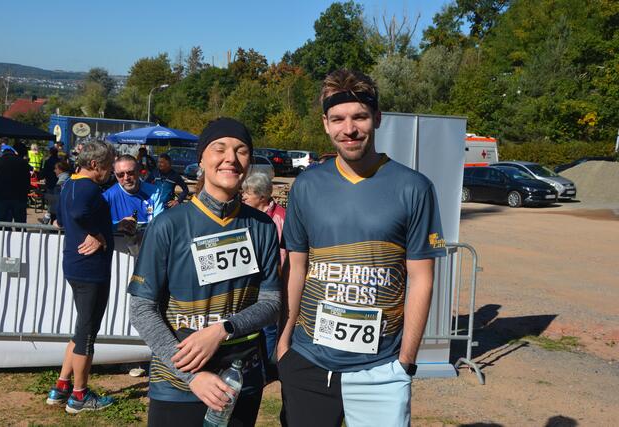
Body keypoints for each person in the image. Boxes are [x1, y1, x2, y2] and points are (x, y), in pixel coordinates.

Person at [277, 69, 446, 427]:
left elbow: (422, 278)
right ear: (325, 124)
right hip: (308, 361)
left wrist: (406, 360)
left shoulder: (414, 187)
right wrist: (283, 342)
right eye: (338, 119)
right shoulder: (306, 185)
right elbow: (296, 268)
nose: (349, 129)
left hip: (381, 369)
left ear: (377, 118)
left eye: (360, 117)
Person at [127, 117, 281, 427]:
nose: (230, 158)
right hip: (178, 385)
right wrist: (192, 376)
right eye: (219, 149)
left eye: (241, 151)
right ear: (201, 159)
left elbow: (272, 302)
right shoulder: (168, 225)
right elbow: (142, 309)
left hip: (240, 382)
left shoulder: (262, 226)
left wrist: (223, 329)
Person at [46, 140, 116, 414]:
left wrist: (106, 228)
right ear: (95, 164)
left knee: (81, 330)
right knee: (87, 334)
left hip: (77, 266)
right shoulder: (88, 187)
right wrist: (97, 235)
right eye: (109, 166)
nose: (110, 171)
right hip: (90, 270)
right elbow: (78, 214)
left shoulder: (69, 185)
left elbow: (63, 219)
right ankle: (79, 395)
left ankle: (62, 386)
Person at [241, 171, 287, 377]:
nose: (243, 196)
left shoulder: (280, 218)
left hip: (272, 280)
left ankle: (268, 370)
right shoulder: (246, 215)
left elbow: (287, 255)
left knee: (269, 326)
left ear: (261, 196)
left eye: (248, 193)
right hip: (250, 279)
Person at [102, 155, 160, 235]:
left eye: (131, 173)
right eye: (120, 175)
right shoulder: (107, 197)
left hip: (147, 240)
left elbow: (160, 225)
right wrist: (116, 227)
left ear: (139, 171)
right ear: (115, 175)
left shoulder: (154, 192)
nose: (126, 178)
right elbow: (95, 228)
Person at [0, 145, 30, 225]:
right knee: (20, 224)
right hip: (19, 197)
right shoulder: (24, 163)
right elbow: (27, 181)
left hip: (1, 197)